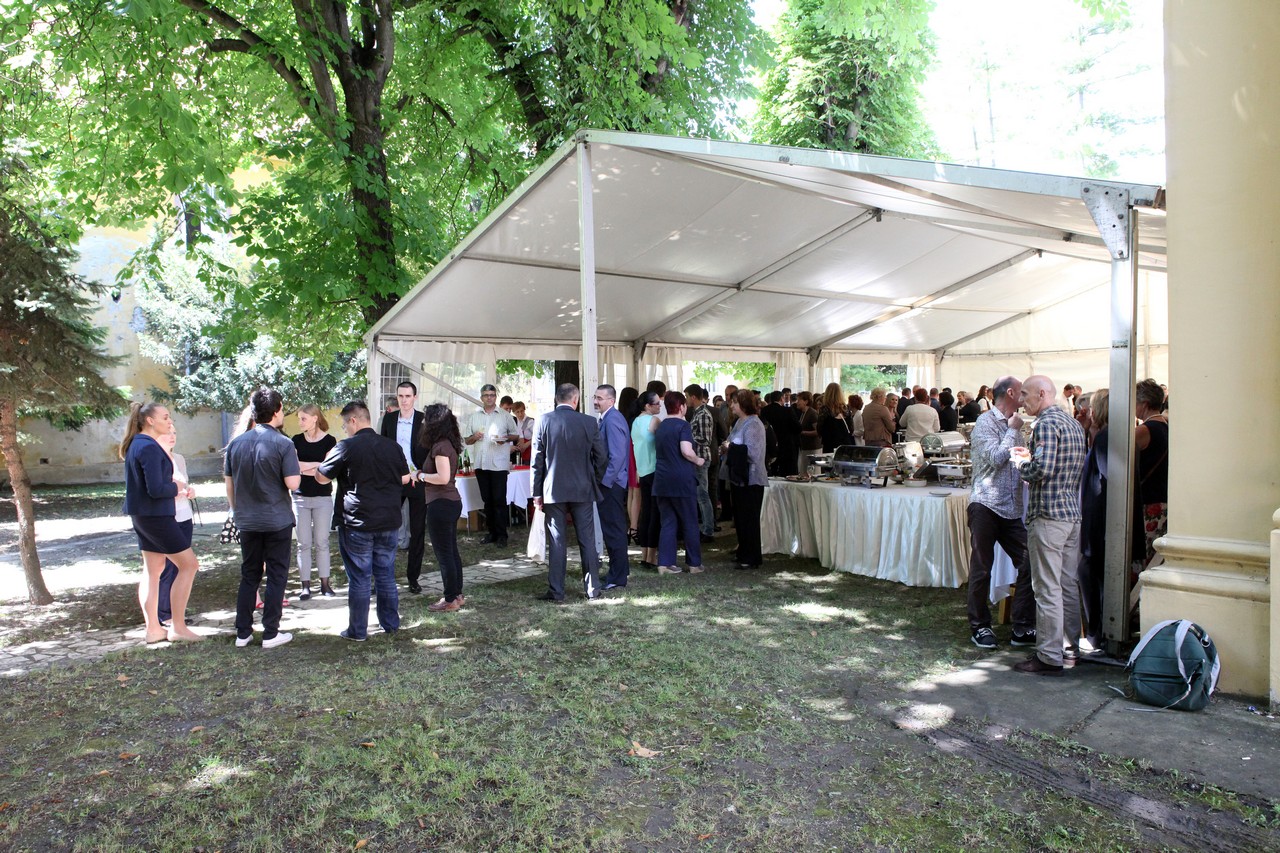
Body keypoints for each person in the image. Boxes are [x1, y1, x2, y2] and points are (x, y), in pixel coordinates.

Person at [1010, 375, 1087, 676]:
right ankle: (1069, 649)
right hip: (1070, 513)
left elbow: (1042, 469)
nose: (1021, 401)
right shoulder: (1074, 424)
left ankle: (1049, 655)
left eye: (1025, 394)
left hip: (1049, 515)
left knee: (1046, 588)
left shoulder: (1044, 424)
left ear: (1042, 394)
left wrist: (1021, 463)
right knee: (1067, 585)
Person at [315, 401, 411, 639]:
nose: (345, 429)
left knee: (360, 577)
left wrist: (326, 460)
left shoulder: (345, 447)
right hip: (388, 519)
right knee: (385, 574)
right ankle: (390, 624)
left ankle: (358, 630)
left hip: (357, 521)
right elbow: (405, 478)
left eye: (345, 424)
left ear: (354, 420)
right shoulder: (392, 446)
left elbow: (321, 478)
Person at [226, 387, 301, 649]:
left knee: (250, 574)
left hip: (247, 520)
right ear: (277, 410)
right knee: (277, 575)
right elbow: (293, 483)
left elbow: (229, 484)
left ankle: (242, 632)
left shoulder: (236, 444)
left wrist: (237, 511)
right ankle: (270, 632)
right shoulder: (284, 443)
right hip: (276, 519)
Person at [965, 376, 1037, 651]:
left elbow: (1015, 459)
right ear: (1010, 393)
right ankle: (979, 626)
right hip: (985, 505)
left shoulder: (1015, 425)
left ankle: (1022, 626)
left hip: (1011, 508)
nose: (1025, 396)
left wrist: (1027, 467)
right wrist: (1012, 430)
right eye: (1022, 392)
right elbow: (995, 458)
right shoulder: (985, 422)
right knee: (982, 567)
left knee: (1029, 563)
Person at [121, 404, 200, 643]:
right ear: (150, 420)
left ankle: (154, 630)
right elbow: (156, 489)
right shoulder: (149, 446)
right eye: (165, 417)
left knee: (153, 570)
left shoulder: (137, 444)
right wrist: (177, 486)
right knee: (189, 565)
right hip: (156, 517)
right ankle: (178, 627)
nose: (169, 421)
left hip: (143, 516)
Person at [531, 383, 607, 602]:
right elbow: (601, 457)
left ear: (557, 399)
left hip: (553, 489)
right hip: (583, 488)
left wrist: (536, 493)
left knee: (557, 540)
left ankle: (556, 590)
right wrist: (594, 479)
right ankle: (593, 588)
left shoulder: (543, 421)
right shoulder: (589, 422)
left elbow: (536, 461)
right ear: (576, 400)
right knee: (587, 539)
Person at [413, 403, 466, 612]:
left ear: (434, 423)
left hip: (441, 503)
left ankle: (450, 598)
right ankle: (457, 595)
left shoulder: (441, 446)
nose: (423, 422)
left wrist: (420, 475)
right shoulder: (445, 443)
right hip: (448, 502)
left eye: (426, 419)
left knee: (445, 554)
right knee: (451, 551)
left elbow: (443, 478)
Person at [379, 381, 427, 592]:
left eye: (408, 396)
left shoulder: (423, 420)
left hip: (417, 479)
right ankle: (382, 576)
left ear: (415, 397)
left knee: (417, 531)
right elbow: (382, 449)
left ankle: (413, 578)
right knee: (385, 528)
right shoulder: (389, 419)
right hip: (395, 480)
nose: (404, 400)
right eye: (401, 396)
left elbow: (429, 451)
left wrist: (421, 473)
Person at [653, 391, 705, 574]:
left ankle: (665, 563)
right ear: (682, 407)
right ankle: (694, 564)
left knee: (668, 522)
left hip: (661, 479)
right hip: (681, 480)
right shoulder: (683, 426)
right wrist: (698, 460)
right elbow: (686, 450)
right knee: (689, 521)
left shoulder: (660, 426)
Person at [464, 384, 519, 546]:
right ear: (481, 397)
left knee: (499, 499)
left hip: (499, 464)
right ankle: (491, 533)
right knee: (487, 500)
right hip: (481, 464)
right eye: (486, 395)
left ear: (496, 397)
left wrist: (504, 439)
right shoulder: (474, 417)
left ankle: (502, 535)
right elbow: (467, 440)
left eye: (492, 395)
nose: (489, 397)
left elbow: (515, 435)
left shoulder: (505, 416)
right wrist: (474, 437)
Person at [292, 404, 338, 600]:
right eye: (299, 418)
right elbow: (294, 467)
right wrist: (317, 465)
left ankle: (325, 585)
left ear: (315, 418)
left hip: (322, 497)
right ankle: (305, 586)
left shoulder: (330, 441)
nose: (300, 422)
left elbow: (327, 470)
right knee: (303, 543)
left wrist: (308, 468)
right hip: (299, 497)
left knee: (322, 542)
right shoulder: (295, 440)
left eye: (303, 418)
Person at [1077, 388, 1109, 650]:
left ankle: (1096, 633)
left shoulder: (1106, 438)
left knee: (1089, 570)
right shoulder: (1105, 435)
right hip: (1098, 514)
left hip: (1099, 515)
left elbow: (1105, 478)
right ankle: (1097, 632)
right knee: (1091, 570)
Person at [593, 384, 632, 590]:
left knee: (613, 529)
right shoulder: (608, 418)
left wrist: (605, 482)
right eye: (595, 397)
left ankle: (617, 576)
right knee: (613, 529)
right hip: (612, 482)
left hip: (612, 484)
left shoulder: (612, 419)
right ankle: (620, 570)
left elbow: (617, 456)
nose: (595, 401)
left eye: (600, 398)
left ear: (611, 400)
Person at [723, 389, 767, 569]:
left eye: (734, 402)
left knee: (749, 519)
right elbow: (730, 441)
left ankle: (751, 557)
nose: (731, 406)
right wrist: (726, 446)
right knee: (741, 518)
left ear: (743, 404)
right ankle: (743, 551)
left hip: (751, 478)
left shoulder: (754, 424)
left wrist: (730, 447)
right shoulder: (740, 422)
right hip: (739, 478)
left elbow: (753, 453)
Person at [154, 425, 192, 628]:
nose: (172, 437)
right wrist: (174, 492)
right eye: (167, 433)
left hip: (185, 515)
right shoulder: (155, 459)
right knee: (168, 567)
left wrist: (189, 491)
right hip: (167, 517)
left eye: (175, 433)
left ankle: (177, 613)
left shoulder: (179, 458)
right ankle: (164, 613)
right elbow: (157, 490)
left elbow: (184, 484)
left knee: (182, 567)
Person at [1133, 378, 1169, 577]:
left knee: (1144, 557)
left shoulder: (1143, 430)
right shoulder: (1166, 427)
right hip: (1163, 500)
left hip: (1148, 503)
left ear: (1144, 404)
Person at [631, 390, 663, 567]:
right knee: (655, 514)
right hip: (654, 469)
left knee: (646, 513)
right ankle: (651, 556)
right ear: (647, 406)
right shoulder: (654, 421)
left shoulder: (636, 421)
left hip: (642, 470)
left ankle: (645, 554)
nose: (660, 406)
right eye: (657, 403)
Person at [684, 385, 717, 541]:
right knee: (701, 495)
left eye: (686, 396)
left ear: (693, 397)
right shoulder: (698, 413)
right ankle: (706, 528)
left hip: (701, 458)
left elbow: (705, 439)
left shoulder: (703, 414)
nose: (685, 399)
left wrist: (686, 438)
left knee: (702, 495)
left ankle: (708, 530)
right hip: (698, 458)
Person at [817, 383, 852, 451]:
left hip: (829, 443)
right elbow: (851, 428)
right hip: (845, 443)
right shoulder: (846, 409)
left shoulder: (825, 409)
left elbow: (819, 428)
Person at [794, 390, 823, 471]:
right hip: (805, 447)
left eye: (799, 400)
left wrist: (802, 432)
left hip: (813, 449)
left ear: (806, 401)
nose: (797, 402)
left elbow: (818, 431)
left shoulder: (812, 413)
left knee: (812, 471)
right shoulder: (803, 413)